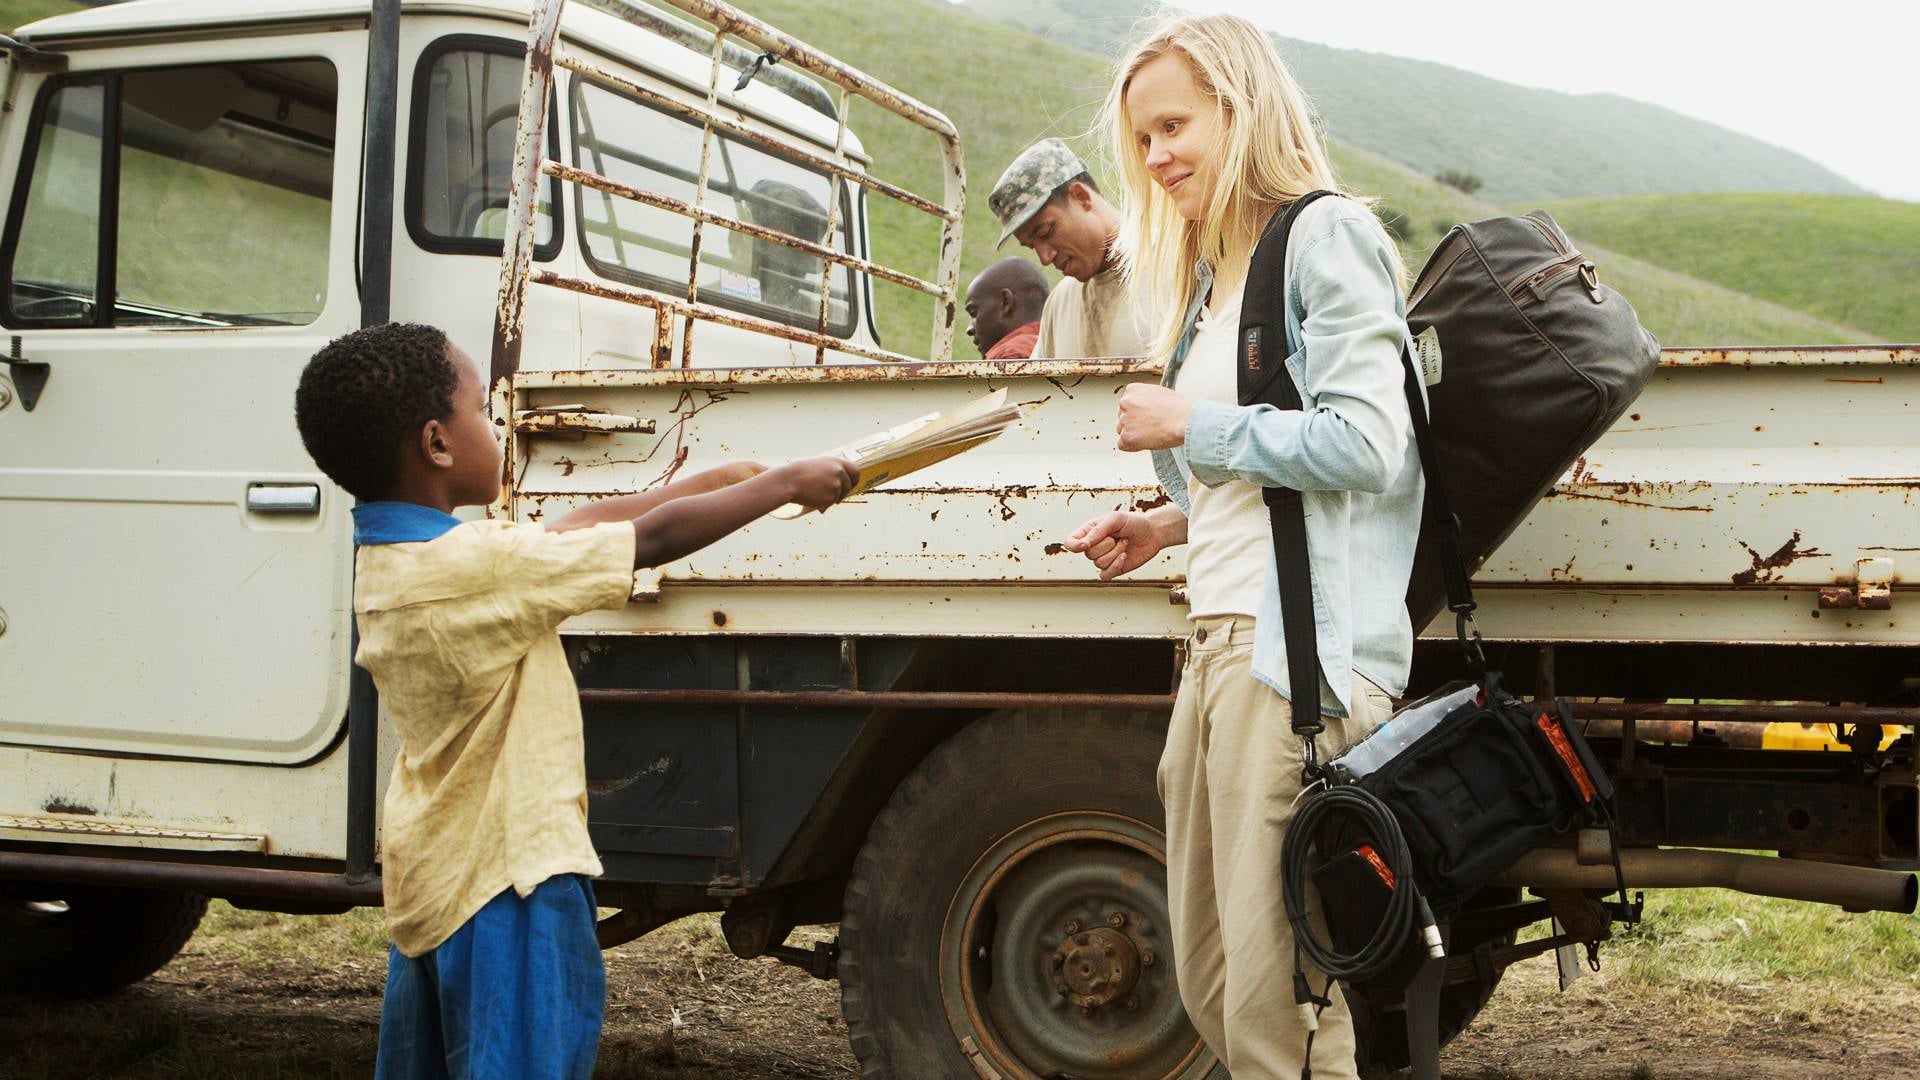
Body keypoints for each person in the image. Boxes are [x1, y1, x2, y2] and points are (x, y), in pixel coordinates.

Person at [292, 323, 856, 1079]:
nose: (495, 427)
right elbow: (648, 542)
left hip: (435, 876)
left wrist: (709, 483)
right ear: (437, 443)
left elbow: (566, 533)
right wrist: (782, 487)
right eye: (480, 410)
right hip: (510, 882)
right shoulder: (475, 568)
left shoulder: (403, 561)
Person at [1061, 14, 1422, 1079]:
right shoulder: (1218, 278)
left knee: (1275, 1007)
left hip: (1292, 661)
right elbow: (1268, 484)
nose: (1156, 157)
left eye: (1175, 127)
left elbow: (1367, 445)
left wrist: (1192, 424)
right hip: (1219, 640)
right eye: (1143, 139)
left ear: (1243, 107)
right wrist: (1166, 524)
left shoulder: (1325, 238)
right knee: (1219, 981)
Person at [987, 137, 1150, 359]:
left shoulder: (1177, 268)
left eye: (1045, 232)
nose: (1045, 258)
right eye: (1031, 247)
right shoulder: (1059, 305)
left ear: (1081, 197)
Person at [963, 256, 1049, 359]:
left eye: (974, 313)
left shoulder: (1010, 355)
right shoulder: (1055, 345)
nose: (969, 329)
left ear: (1005, 302)